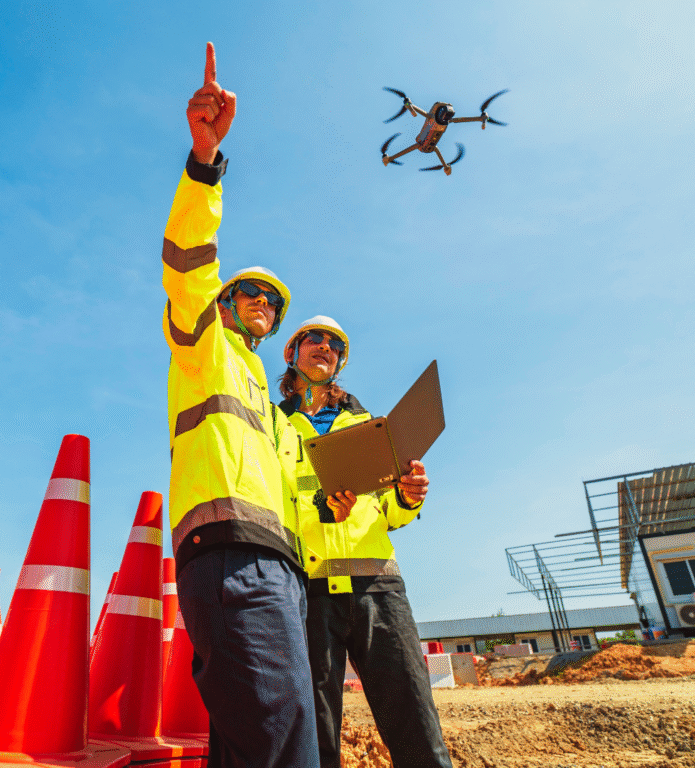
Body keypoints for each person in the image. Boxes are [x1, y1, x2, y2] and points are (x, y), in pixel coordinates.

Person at [162, 42, 319, 768]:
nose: (263, 302)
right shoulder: (202, 337)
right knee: (285, 731)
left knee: (249, 738)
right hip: (229, 557)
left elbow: (294, 486)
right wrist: (205, 162)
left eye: (274, 302)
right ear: (228, 301)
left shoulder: (263, 390)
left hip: (277, 565)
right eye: (251, 292)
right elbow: (190, 257)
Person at [277, 316, 453, 768]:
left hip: (379, 589)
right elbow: (271, 503)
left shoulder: (369, 425)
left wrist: (408, 496)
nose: (325, 346)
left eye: (334, 344)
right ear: (291, 353)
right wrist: (320, 508)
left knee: (416, 724)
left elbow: (390, 513)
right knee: (316, 736)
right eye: (313, 339)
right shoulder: (273, 428)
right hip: (308, 592)